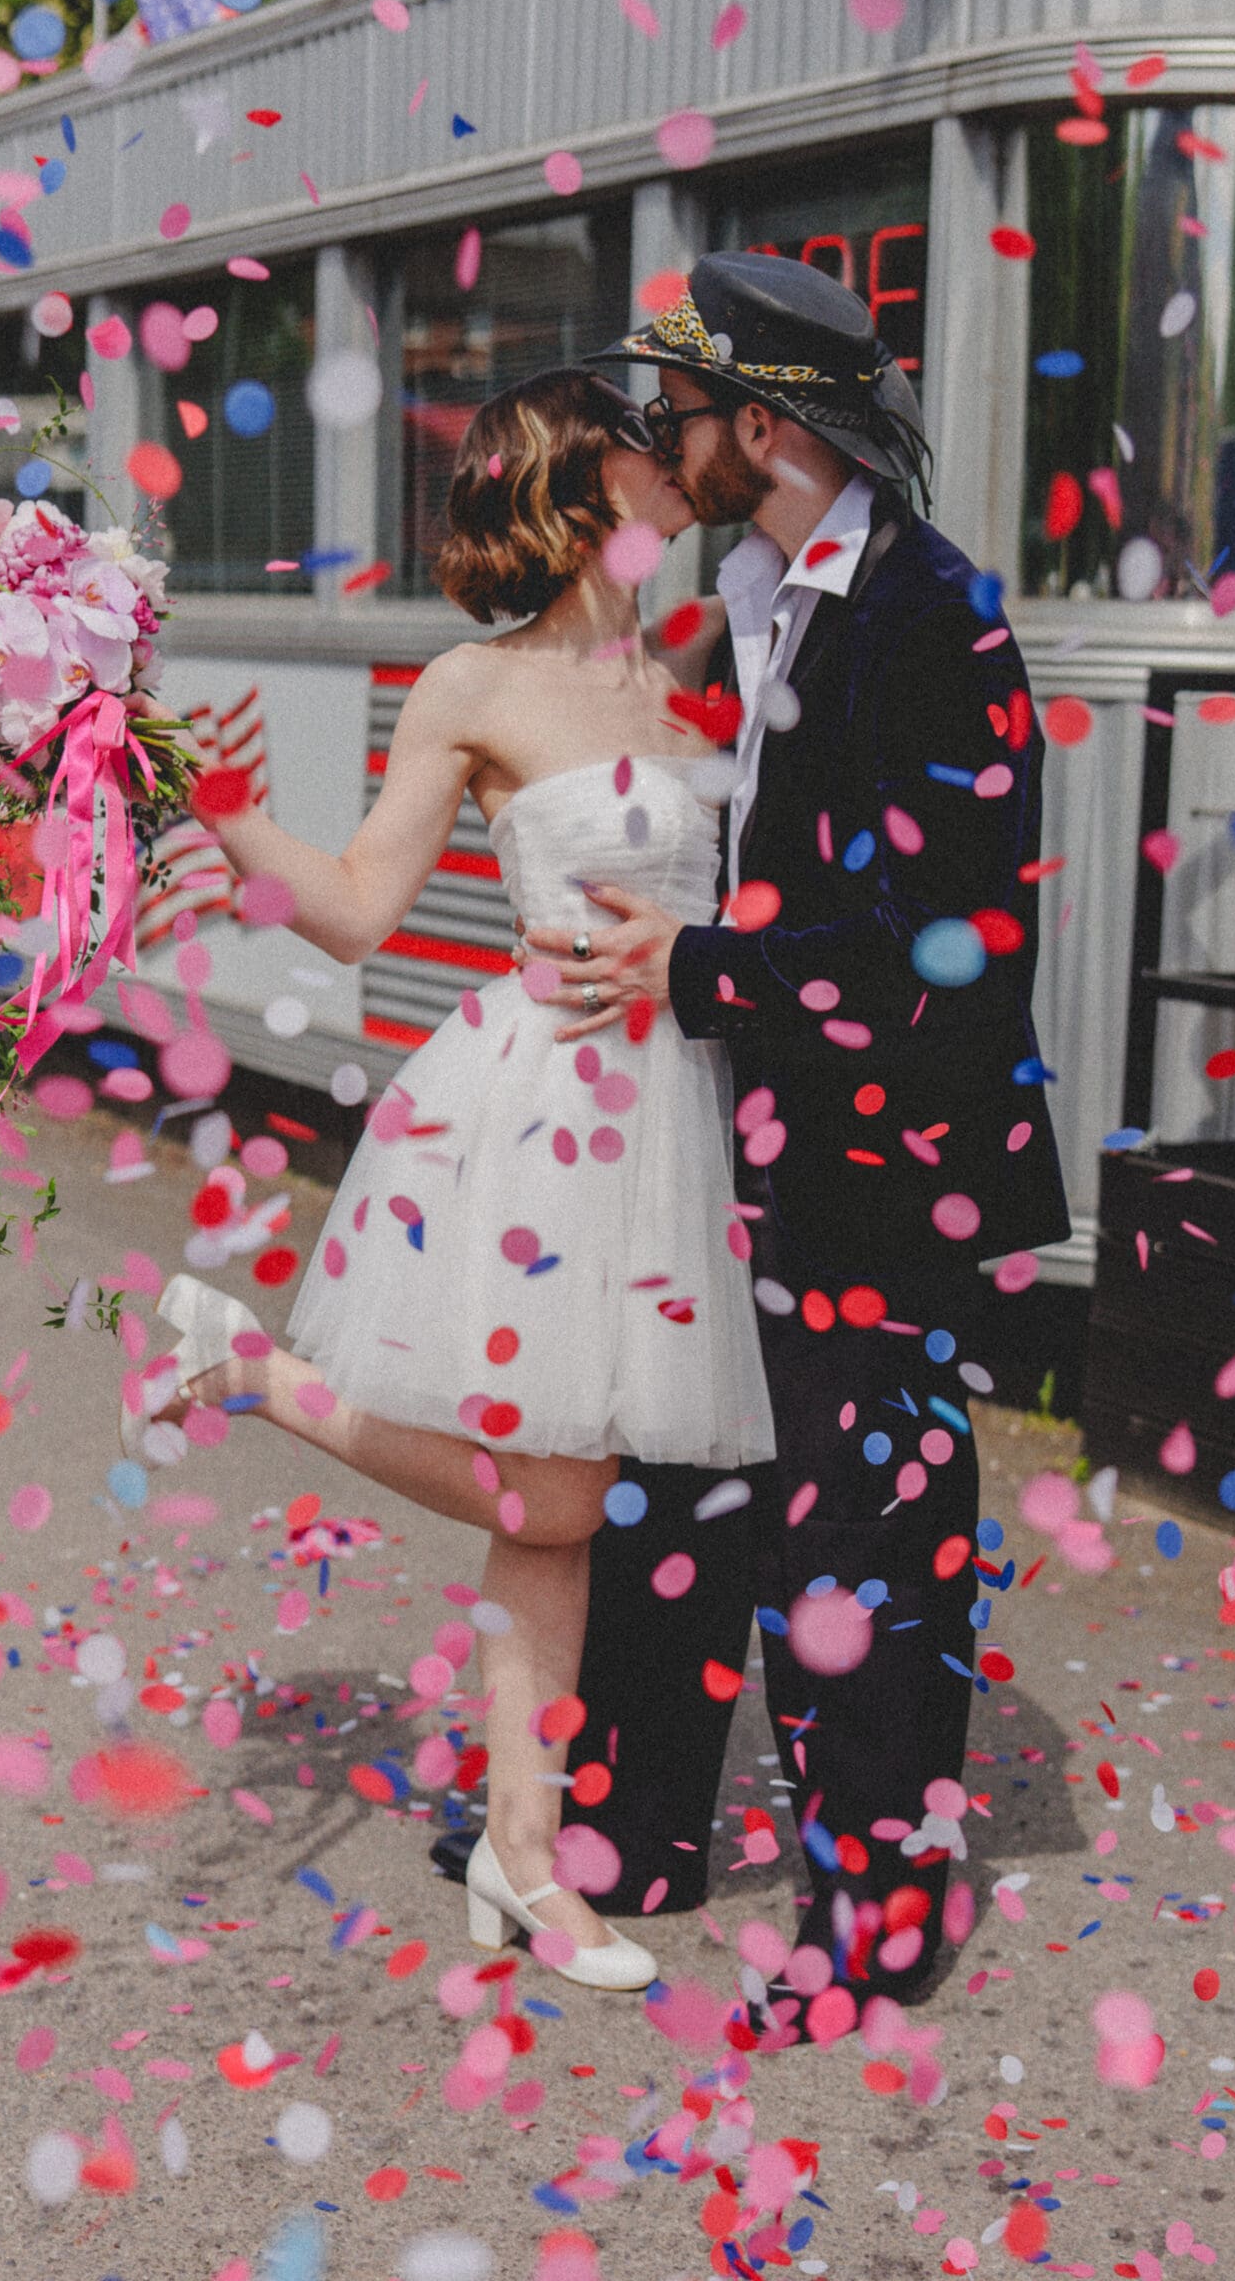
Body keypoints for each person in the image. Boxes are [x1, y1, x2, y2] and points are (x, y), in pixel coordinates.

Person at [438, 253, 1071, 2044]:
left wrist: (688, 963)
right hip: (748, 1132)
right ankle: (633, 1835)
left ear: (765, 428)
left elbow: (955, 942)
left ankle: (880, 1923)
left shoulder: (930, 618)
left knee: (860, 1526)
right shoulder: (757, 591)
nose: (661, 440)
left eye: (681, 413)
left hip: (887, 1155)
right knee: (678, 1483)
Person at [121, 367, 776, 1993]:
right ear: (578, 478)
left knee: (563, 1526)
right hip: (545, 1108)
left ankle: (525, 1861)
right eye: (644, 437)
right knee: (556, 1496)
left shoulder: (676, 658)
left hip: (670, 1110)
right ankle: (250, 1371)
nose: (671, 461)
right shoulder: (470, 685)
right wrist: (223, 812)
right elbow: (356, 910)